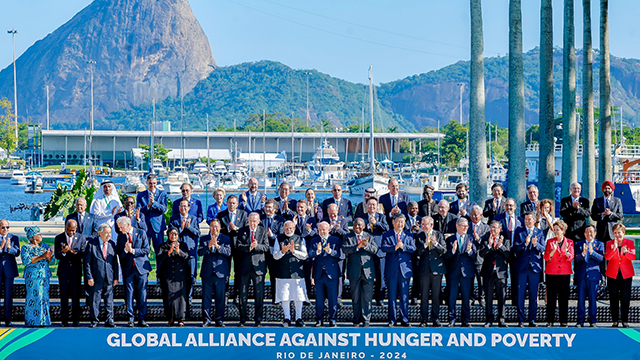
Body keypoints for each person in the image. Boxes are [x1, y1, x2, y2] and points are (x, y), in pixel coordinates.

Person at [116, 216, 152, 327]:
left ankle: (142, 318)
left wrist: (133, 251)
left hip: (141, 268)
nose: (120, 230)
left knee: (142, 294)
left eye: (121, 227)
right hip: (128, 269)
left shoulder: (141, 233)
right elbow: (120, 255)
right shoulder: (120, 237)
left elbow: (146, 250)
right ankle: (130, 318)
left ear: (128, 225)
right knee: (129, 293)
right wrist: (125, 251)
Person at [342, 218, 378, 327]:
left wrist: (366, 245)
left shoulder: (370, 236)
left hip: (368, 272)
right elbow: (345, 249)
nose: (357, 227)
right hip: (354, 271)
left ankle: (366, 320)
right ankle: (356, 320)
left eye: (359, 225)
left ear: (364, 226)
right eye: (355, 225)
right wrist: (358, 246)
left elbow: (375, 250)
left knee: (367, 297)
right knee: (355, 297)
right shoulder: (348, 237)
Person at [381, 214, 416, 327]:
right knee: (391, 296)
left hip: (404, 270)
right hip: (392, 270)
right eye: (398, 221)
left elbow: (413, 248)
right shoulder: (387, 234)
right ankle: (392, 319)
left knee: (404, 296)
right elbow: (383, 247)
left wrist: (403, 246)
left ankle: (405, 319)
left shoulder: (409, 235)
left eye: (402, 222)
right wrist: (394, 247)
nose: (400, 224)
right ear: (393, 222)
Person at [273, 221, 308, 327]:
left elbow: (305, 255)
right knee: (285, 296)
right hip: (282, 272)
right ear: (283, 229)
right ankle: (287, 318)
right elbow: (275, 255)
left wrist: (294, 251)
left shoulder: (300, 238)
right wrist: (282, 252)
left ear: (294, 228)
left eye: (291, 228)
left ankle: (299, 318)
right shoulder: (278, 238)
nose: (289, 230)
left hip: (297, 272)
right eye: (287, 228)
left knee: (298, 296)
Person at [236, 212, 269, 327]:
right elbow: (238, 246)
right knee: (243, 294)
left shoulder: (263, 231)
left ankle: (258, 319)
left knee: (259, 294)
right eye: (251, 221)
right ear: (248, 221)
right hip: (244, 267)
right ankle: (242, 319)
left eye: (255, 221)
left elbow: (266, 247)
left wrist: (257, 246)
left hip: (258, 268)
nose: (253, 223)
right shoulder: (241, 231)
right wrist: (249, 247)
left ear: (259, 221)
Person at [513, 212, 546, 327]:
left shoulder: (540, 232)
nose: (527, 221)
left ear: (534, 220)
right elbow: (515, 247)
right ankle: (521, 320)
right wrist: (525, 243)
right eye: (526, 219)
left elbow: (543, 248)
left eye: (530, 219)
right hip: (522, 267)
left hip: (535, 268)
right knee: (520, 294)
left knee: (533, 295)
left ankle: (532, 319)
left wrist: (535, 245)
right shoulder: (519, 231)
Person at [84, 224, 119, 328]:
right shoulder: (91, 244)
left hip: (109, 277)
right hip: (96, 278)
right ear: (100, 233)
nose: (108, 235)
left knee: (109, 300)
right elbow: (87, 263)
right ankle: (95, 320)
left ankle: (109, 320)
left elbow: (115, 262)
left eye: (110, 233)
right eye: (106, 233)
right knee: (95, 300)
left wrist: (116, 277)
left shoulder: (112, 244)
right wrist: (89, 277)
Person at [308, 222, 343, 327]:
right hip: (319, 275)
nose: (322, 232)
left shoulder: (335, 240)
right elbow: (309, 254)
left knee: (333, 298)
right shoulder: (314, 241)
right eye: (320, 230)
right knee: (319, 299)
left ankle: (333, 319)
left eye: (324, 230)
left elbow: (341, 255)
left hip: (332, 274)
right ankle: (319, 320)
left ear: (328, 230)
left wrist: (330, 251)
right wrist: (317, 252)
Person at [199, 219, 231, 327]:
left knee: (220, 298)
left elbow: (228, 252)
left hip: (220, 273)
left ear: (220, 227)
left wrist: (218, 247)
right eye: (212, 227)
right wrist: (209, 246)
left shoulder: (225, 239)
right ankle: (206, 320)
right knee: (206, 298)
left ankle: (219, 320)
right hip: (207, 273)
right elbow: (199, 252)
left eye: (216, 227)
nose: (214, 229)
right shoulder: (204, 238)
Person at [414, 216, 446, 327]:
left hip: (437, 269)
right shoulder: (419, 236)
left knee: (436, 296)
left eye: (425, 224)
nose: (423, 226)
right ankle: (423, 320)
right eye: (422, 224)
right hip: (424, 270)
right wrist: (425, 244)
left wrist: (435, 243)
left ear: (431, 225)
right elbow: (417, 253)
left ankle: (435, 318)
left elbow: (444, 250)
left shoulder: (439, 235)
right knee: (424, 296)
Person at [444, 217, 476, 327]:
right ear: (457, 226)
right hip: (453, 272)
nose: (466, 228)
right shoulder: (450, 239)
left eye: (467, 226)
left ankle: (465, 320)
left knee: (466, 297)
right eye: (463, 226)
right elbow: (446, 256)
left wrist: (469, 251)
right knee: (452, 297)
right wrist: (452, 250)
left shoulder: (471, 238)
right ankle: (452, 319)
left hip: (466, 272)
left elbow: (476, 256)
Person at [54, 219, 86, 327]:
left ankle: (76, 319)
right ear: (65, 228)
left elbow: (83, 253)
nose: (71, 233)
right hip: (64, 272)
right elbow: (56, 255)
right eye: (69, 230)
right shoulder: (59, 238)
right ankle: (64, 320)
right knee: (64, 296)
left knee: (76, 297)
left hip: (75, 272)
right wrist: (63, 252)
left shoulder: (81, 237)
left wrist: (72, 251)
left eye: (73, 230)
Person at [358, 197, 389, 306]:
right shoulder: (361, 217)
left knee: (381, 276)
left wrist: (376, 223)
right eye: (369, 205)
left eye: (374, 205)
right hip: (366, 250)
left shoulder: (382, 217)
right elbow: (358, 229)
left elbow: (386, 228)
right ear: (366, 206)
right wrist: (366, 225)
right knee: (367, 276)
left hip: (379, 251)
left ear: (377, 207)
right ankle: (367, 299)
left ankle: (380, 299)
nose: (371, 207)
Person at [21, 226, 54, 327]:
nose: (41, 236)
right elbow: (26, 260)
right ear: (33, 237)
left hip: (44, 276)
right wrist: (42, 257)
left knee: (44, 298)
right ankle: (32, 321)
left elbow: (51, 260)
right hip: (33, 277)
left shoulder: (44, 246)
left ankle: (44, 321)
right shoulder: (26, 247)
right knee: (34, 298)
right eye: (38, 234)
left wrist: (49, 256)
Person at [157, 227, 190, 326]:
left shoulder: (183, 245)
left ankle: (181, 318)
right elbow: (159, 257)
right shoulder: (163, 245)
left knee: (181, 297)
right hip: (167, 275)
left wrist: (179, 251)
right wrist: (169, 251)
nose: (173, 236)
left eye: (175, 234)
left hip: (180, 276)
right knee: (168, 296)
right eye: (171, 233)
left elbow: (187, 257)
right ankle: (170, 318)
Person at [170, 199, 201, 306]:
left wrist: (189, 227)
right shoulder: (173, 219)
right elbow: (171, 233)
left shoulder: (193, 219)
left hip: (190, 251)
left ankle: (189, 297)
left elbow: (197, 233)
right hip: (178, 251)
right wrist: (181, 228)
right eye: (181, 206)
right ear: (178, 207)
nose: (183, 208)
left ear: (188, 208)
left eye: (185, 206)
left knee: (191, 275)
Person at [479, 221, 509, 327]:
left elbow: (508, 255)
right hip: (488, 273)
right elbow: (481, 254)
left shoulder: (505, 240)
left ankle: (501, 319)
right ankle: (489, 319)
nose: (493, 230)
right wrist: (488, 245)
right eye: (491, 228)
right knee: (488, 298)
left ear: (500, 229)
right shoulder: (485, 239)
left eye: (495, 228)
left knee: (502, 297)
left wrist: (500, 245)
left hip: (501, 273)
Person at [544, 220, 574, 327]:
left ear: (563, 231)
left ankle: (563, 321)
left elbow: (570, 257)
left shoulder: (569, 242)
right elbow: (546, 257)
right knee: (551, 298)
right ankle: (550, 321)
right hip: (552, 273)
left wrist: (566, 252)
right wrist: (553, 251)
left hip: (564, 273)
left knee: (563, 298)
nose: (556, 232)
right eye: (554, 230)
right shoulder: (550, 242)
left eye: (558, 230)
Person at [605, 224, 635, 328]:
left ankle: (625, 320)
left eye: (619, 232)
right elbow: (607, 257)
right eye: (615, 233)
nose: (617, 235)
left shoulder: (629, 243)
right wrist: (613, 249)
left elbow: (633, 257)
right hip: (612, 274)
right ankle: (615, 321)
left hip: (626, 274)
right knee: (613, 297)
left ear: (623, 233)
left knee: (625, 297)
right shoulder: (609, 243)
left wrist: (626, 253)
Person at [574, 225, 604, 327]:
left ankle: (593, 320)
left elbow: (601, 258)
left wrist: (592, 252)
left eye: (591, 232)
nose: (589, 234)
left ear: (595, 233)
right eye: (587, 232)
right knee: (581, 299)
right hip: (581, 276)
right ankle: (580, 320)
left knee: (593, 299)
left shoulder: (599, 244)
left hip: (593, 276)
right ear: (584, 234)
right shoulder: (579, 244)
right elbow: (575, 259)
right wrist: (583, 253)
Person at [136, 174, 168, 265]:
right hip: (145, 226)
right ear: (147, 183)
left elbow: (164, 209)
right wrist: (148, 206)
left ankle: (159, 275)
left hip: (157, 227)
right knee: (144, 250)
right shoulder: (141, 195)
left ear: (156, 182)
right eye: (150, 183)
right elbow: (139, 210)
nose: (152, 185)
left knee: (159, 251)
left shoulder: (162, 194)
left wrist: (154, 203)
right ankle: (144, 274)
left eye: (154, 183)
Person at [468, 205, 490, 307]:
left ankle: (482, 298)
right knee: (469, 279)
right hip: (468, 257)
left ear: (481, 215)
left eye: (476, 215)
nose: (474, 217)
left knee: (481, 280)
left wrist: (479, 239)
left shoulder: (486, 228)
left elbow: (487, 243)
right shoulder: (466, 226)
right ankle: (470, 297)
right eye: (472, 215)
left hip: (481, 258)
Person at [0, 219, 19, 326]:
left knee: (8, 295)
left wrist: (8, 247)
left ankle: (8, 319)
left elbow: (17, 252)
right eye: (3, 227)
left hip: (9, 271)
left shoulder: (14, 238)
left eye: (7, 227)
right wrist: (1, 247)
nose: (5, 229)